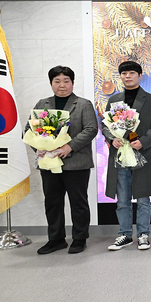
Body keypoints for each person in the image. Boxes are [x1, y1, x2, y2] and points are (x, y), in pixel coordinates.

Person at [30, 66, 98, 254]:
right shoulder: (42, 104)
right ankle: (56, 239)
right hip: (49, 163)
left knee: (78, 202)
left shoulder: (83, 104)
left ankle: (79, 238)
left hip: (76, 162)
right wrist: (38, 147)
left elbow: (91, 129)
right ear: (51, 83)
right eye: (57, 81)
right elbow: (30, 130)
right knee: (52, 202)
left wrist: (69, 146)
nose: (62, 85)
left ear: (72, 83)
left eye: (66, 81)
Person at [102, 61, 151, 251]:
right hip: (120, 155)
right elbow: (106, 125)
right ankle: (125, 234)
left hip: (142, 153)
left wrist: (143, 141)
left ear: (140, 75)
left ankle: (143, 234)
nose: (127, 76)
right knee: (122, 198)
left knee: (143, 198)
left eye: (131, 73)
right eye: (124, 73)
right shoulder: (114, 100)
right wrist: (111, 138)